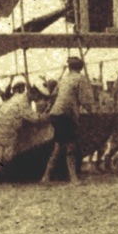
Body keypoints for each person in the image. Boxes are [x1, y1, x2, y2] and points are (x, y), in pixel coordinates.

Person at [0, 84, 50, 188]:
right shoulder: (22, 103)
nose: (38, 100)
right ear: (33, 93)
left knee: (6, 159)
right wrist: (48, 115)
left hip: (8, 134)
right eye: (38, 96)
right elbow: (36, 119)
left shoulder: (19, 97)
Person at [41, 56, 94, 184]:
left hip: (56, 114)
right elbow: (85, 100)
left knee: (58, 147)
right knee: (71, 147)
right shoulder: (80, 78)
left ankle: (46, 176)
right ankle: (73, 179)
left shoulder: (64, 79)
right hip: (66, 115)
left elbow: (54, 95)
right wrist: (90, 111)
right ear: (80, 67)